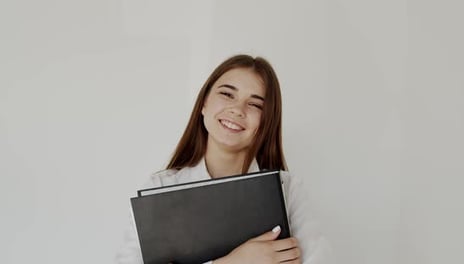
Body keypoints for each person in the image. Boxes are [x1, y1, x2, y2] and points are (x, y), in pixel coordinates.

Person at [116, 54, 331, 263]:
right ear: (204, 103)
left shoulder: (289, 190)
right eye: (228, 94)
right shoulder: (160, 188)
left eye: (255, 104)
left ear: (267, 122)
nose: (237, 110)